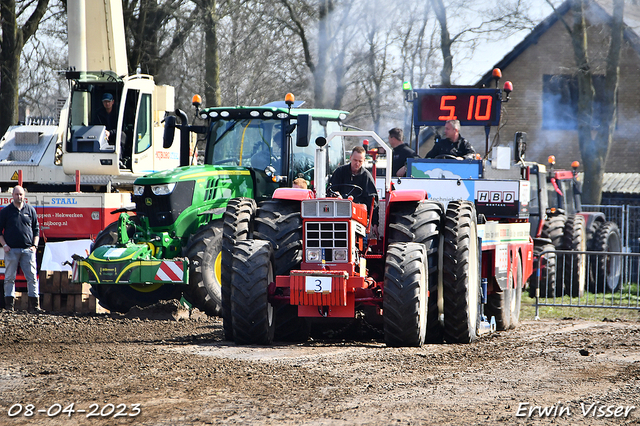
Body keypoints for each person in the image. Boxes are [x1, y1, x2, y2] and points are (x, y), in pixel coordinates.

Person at [0, 186, 42, 313]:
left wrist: (34, 246)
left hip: (27, 251)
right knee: (9, 278)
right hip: (11, 250)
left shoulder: (30, 210)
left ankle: (34, 307)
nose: (19, 197)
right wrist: (4, 245)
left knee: (32, 278)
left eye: (21, 194)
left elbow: (36, 230)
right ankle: (9, 307)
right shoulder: (6, 212)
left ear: (24, 196)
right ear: (12, 195)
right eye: (17, 194)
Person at [328, 146, 379, 235]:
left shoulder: (366, 176)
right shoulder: (340, 172)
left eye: (360, 161)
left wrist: (375, 223)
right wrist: (336, 194)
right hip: (339, 211)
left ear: (364, 161)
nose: (357, 163)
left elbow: (373, 200)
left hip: (359, 214)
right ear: (350, 157)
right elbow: (330, 189)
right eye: (355, 160)